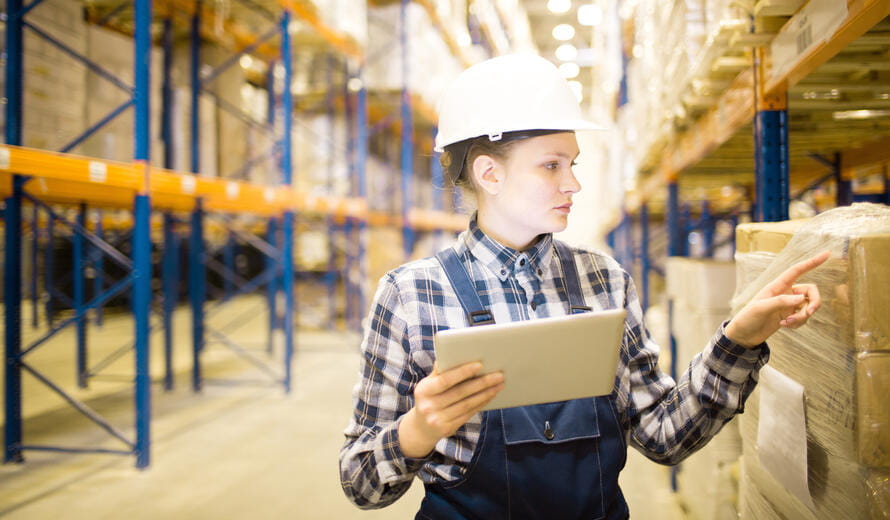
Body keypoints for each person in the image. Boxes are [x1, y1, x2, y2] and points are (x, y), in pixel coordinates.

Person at [339, 53, 829, 519]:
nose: (573, 184)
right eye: (551, 165)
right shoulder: (412, 296)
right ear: (489, 173)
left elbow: (664, 436)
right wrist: (415, 432)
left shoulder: (603, 280)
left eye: (573, 164)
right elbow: (360, 480)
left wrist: (738, 341)